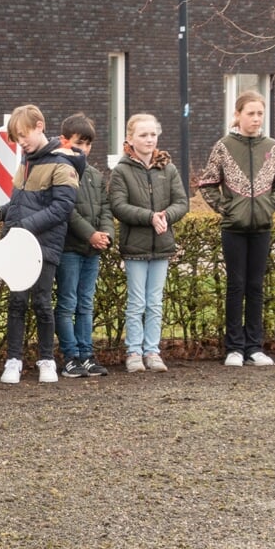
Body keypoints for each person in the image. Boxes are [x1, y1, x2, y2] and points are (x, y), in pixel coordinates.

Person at [0, 104, 81, 384]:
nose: (21, 142)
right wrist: (0, 213)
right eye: (16, 137)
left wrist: (23, 228)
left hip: (43, 246)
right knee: (16, 302)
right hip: (18, 244)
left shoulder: (62, 164)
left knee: (41, 302)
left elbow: (62, 208)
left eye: (24, 135)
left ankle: (46, 360)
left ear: (40, 126)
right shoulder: (25, 161)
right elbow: (20, 202)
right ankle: (13, 360)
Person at [199, 91, 275, 367]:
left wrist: (270, 205)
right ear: (237, 115)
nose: (256, 118)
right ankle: (234, 348)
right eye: (250, 113)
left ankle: (255, 346)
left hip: (262, 226)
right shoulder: (224, 146)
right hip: (234, 228)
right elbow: (207, 183)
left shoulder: (272, 147)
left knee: (256, 286)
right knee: (236, 286)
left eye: (260, 113)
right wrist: (226, 208)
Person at [109, 113, 189, 373]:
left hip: (162, 245)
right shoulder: (121, 170)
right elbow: (119, 206)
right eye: (143, 135)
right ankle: (133, 351)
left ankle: (152, 350)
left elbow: (181, 202)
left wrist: (166, 216)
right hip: (135, 247)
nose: (149, 139)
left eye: (153, 134)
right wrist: (149, 217)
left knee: (155, 301)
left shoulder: (169, 169)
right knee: (136, 302)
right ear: (130, 139)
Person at [55, 113, 112, 377]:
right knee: (67, 303)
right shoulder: (59, 169)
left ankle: (87, 354)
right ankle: (71, 356)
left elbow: (106, 209)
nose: (84, 149)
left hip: (92, 250)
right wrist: (90, 234)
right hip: (69, 249)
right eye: (79, 142)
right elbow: (67, 211)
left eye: (88, 144)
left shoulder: (95, 176)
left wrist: (105, 234)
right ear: (65, 141)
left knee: (85, 304)